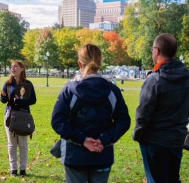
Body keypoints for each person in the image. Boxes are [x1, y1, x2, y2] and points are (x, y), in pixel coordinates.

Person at [51, 43, 130, 183]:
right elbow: (123, 121)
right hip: (102, 154)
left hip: (75, 155)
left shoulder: (69, 90)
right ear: (100, 62)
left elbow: (58, 121)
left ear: (79, 64)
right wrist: (103, 139)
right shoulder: (112, 91)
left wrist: (82, 139)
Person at [133, 33, 189, 183]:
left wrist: (138, 134)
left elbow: (143, 112)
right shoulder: (186, 77)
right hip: (176, 139)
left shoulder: (155, 79)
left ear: (157, 51)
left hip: (155, 141)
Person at [0, 60, 36, 177]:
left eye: (15, 66)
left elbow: (33, 100)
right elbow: (3, 101)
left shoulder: (27, 84)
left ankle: (23, 169)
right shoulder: (8, 83)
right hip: (10, 115)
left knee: (23, 144)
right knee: (12, 144)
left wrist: (19, 100)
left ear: (22, 69)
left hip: (23, 116)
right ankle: (13, 169)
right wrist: (3, 96)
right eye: (11, 67)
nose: (13, 68)